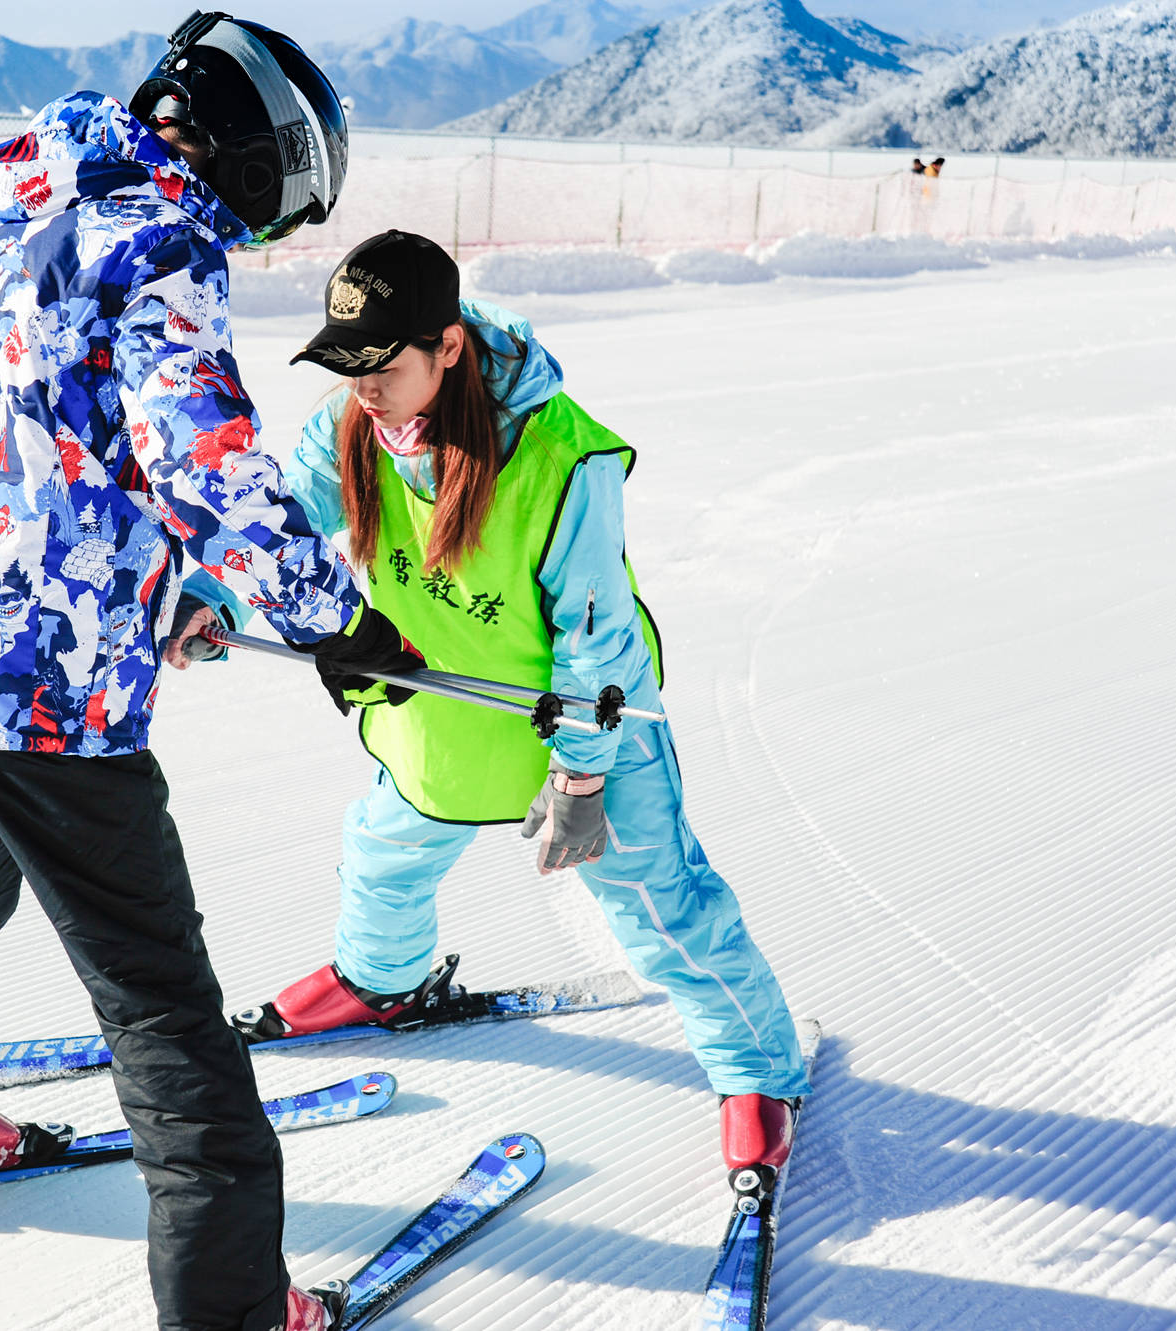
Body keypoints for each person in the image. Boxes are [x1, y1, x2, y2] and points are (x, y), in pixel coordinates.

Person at [0, 15, 418, 1331]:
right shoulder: (164, 238)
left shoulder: (19, 193)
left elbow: (19, 414)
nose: (270, 224)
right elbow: (209, 466)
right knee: (164, 1007)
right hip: (42, 682)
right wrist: (335, 622)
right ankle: (236, 1305)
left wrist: (141, 591)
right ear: (259, 149)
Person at [186, 229, 813, 1177]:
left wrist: (582, 776)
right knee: (386, 854)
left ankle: (759, 1069)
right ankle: (382, 981)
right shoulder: (351, 424)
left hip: (579, 722)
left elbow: (593, 638)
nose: (361, 387)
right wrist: (219, 600)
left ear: (449, 344)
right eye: (345, 363)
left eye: (383, 364)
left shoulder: (563, 457)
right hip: (439, 708)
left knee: (660, 906)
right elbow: (288, 534)